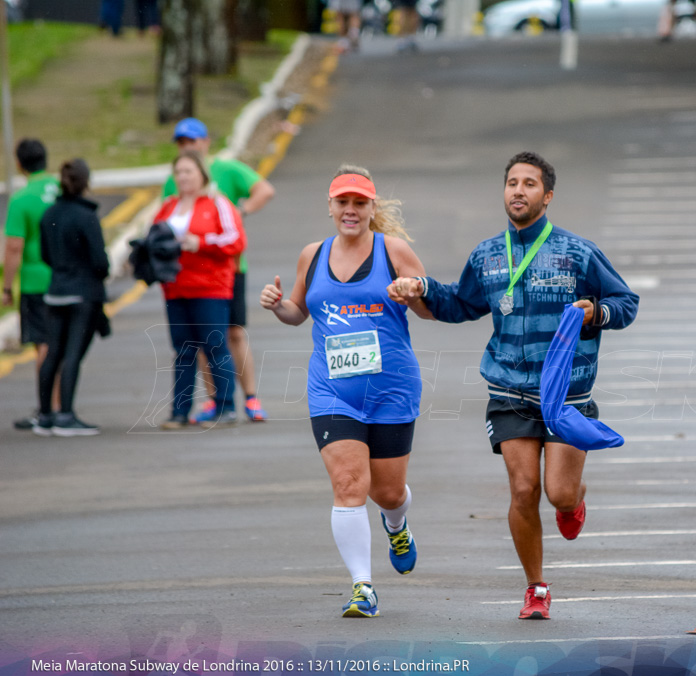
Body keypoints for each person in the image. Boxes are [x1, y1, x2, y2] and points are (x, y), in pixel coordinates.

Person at [387, 151, 639, 620]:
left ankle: (574, 502)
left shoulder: (577, 253)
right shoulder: (486, 256)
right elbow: (458, 305)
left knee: (558, 493)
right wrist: (420, 288)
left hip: (567, 396)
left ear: (547, 196)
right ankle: (536, 588)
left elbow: (625, 301)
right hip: (509, 394)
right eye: (511, 183)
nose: (518, 191)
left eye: (529, 184)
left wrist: (595, 313)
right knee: (524, 490)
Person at [260, 165, 427, 618]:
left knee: (387, 492)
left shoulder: (393, 251)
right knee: (350, 484)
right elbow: (299, 311)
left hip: (392, 388)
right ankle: (363, 587)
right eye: (342, 202)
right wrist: (280, 307)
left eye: (359, 203)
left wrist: (412, 292)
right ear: (330, 207)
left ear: (372, 208)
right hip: (332, 391)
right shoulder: (312, 255)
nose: (350, 210)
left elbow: (431, 307)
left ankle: (397, 525)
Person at [163, 117, 276, 422]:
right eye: (182, 143)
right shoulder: (174, 183)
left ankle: (250, 397)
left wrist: (243, 211)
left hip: (226, 271)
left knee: (233, 334)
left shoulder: (225, 170)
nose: (188, 147)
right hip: (184, 281)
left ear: (205, 142)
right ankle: (214, 400)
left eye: (193, 141)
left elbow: (264, 190)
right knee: (200, 342)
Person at [154, 150, 246, 429]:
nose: (183, 177)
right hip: (176, 288)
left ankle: (226, 407)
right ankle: (179, 412)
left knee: (215, 346)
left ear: (201, 174)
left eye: (188, 171)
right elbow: (152, 237)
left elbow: (236, 240)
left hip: (210, 287)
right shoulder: (168, 207)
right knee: (183, 349)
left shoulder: (217, 204)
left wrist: (201, 242)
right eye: (179, 172)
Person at [33, 160, 110, 436]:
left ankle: (45, 415)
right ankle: (66, 414)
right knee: (72, 355)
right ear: (87, 183)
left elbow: (44, 255)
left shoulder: (50, 213)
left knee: (53, 353)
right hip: (82, 294)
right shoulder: (86, 216)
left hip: (55, 291)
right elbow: (100, 261)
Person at [3, 139, 60, 431]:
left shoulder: (22, 199)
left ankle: (47, 406)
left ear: (19, 164)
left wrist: (7, 286)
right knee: (61, 343)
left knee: (43, 344)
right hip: (65, 278)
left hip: (37, 281)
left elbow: (14, 247)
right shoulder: (63, 189)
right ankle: (62, 403)